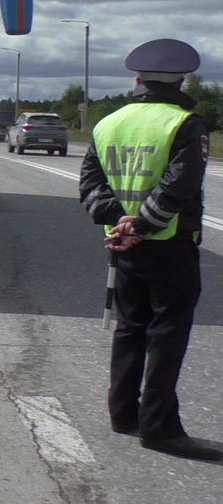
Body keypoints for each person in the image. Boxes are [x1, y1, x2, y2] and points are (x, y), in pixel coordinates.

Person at [78, 38, 220, 461]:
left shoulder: (108, 123)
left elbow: (89, 185)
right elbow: (179, 186)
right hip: (169, 245)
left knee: (129, 328)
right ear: (180, 80)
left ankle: (123, 413)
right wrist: (141, 225)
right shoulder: (185, 122)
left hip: (121, 248)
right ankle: (159, 428)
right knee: (166, 336)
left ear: (137, 80)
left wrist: (121, 224)